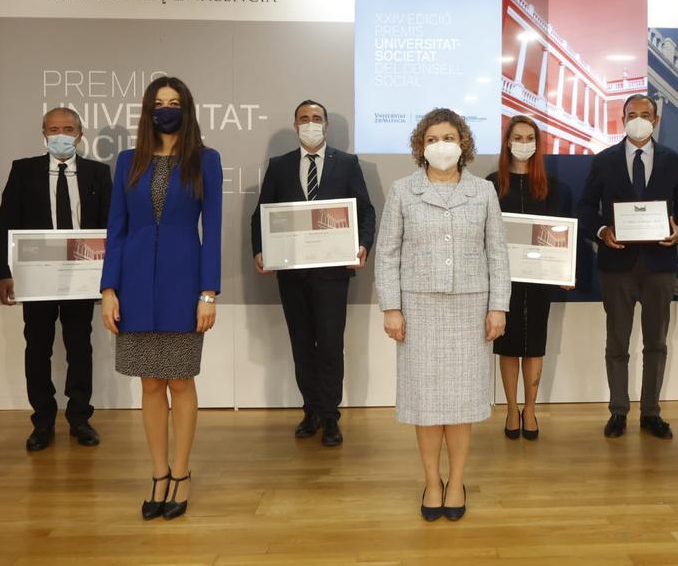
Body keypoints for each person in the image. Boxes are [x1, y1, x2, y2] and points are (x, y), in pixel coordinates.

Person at [374, 108, 509, 522]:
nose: (441, 145)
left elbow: (498, 253)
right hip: (419, 308)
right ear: (420, 146)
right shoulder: (402, 191)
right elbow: (388, 253)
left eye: (448, 137)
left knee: (462, 401)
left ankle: (457, 481)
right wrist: (392, 307)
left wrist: (498, 306)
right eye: (432, 139)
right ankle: (432, 481)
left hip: (471, 308)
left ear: (463, 143)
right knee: (426, 402)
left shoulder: (483, 192)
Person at [100, 77, 222, 520]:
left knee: (180, 381)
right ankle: (158, 473)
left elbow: (214, 230)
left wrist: (208, 292)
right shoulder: (128, 161)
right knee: (149, 382)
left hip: (183, 284)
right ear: (147, 110)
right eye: (158, 103)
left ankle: (182, 473)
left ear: (186, 109)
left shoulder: (205, 160)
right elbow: (117, 226)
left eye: (173, 103)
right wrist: (108, 288)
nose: (165, 109)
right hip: (133, 285)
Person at [251, 100, 376, 447]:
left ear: (327, 126)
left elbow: (365, 211)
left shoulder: (347, 164)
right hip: (292, 275)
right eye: (304, 119)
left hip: (333, 274)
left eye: (316, 119)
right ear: (295, 125)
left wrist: (363, 245)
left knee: (331, 346)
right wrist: (260, 249)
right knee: (302, 344)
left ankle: (331, 416)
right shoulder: (279, 166)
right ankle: (311, 411)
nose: (311, 124)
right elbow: (261, 214)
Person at [577, 93, 678, 439]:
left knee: (656, 342)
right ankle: (618, 411)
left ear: (655, 120)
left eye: (646, 114)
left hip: (660, 265)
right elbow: (586, 207)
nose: (639, 119)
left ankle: (651, 412)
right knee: (617, 342)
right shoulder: (603, 161)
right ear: (622, 119)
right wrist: (602, 231)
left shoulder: (672, 160)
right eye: (632, 114)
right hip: (617, 265)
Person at [0, 107, 112, 452]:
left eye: (69, 128)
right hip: (36, 277)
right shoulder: (23, 170)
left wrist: (109, 276)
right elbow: (6, 222)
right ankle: (42, 421)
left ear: (80, 134)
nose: (62, 134)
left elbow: (111, 227)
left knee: (80, 345)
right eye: (54, 129)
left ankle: (80, 418)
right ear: (44, 134)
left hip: (82, 275)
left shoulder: (98, 173)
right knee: (38, 347)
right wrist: (3, 273)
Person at [486, 115, 569, 441]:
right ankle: (510, 409)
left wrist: (564, 269)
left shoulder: (552, 186)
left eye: (529, 137)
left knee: (534, 345)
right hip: (503, 279)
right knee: (508, 345)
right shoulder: (491, 183)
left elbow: (562, 234)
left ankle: (530, 409)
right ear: (508, 143)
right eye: (517, 138)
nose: (523, 143)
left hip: (539, 278)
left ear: (537, 144)